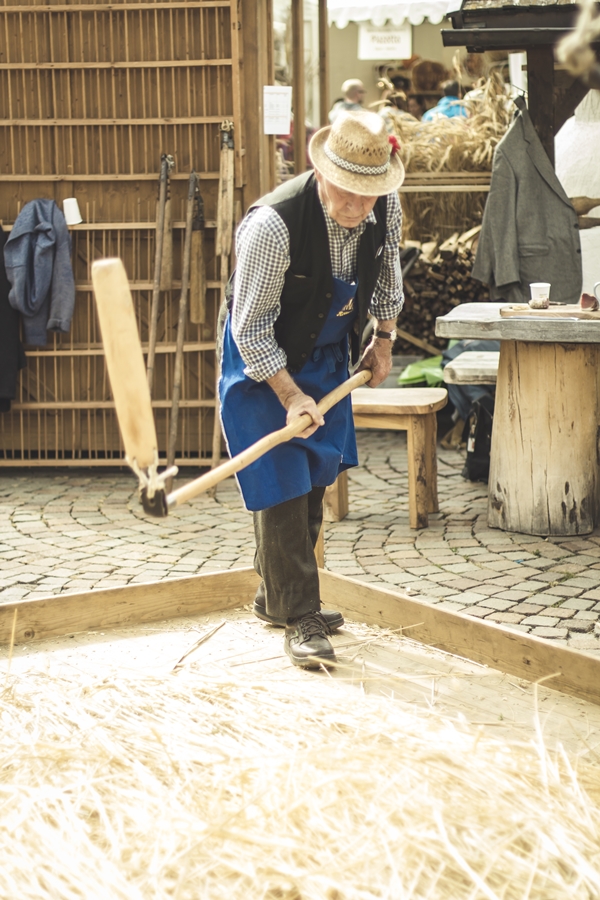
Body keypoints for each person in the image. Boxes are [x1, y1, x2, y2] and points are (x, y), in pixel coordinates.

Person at [218, 112, 405, 669]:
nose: (359, 209)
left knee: (316, 472)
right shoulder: (273, 226)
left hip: (326, 354)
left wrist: (385, 337)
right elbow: (249, 327)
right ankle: (298, 612)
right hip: (263, 363)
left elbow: (388, 268)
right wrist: (289, 394)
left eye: (370, 197)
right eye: (349, 195)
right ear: (322, 173)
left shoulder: (381, 205)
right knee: (281, 483)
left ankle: (274, 595)